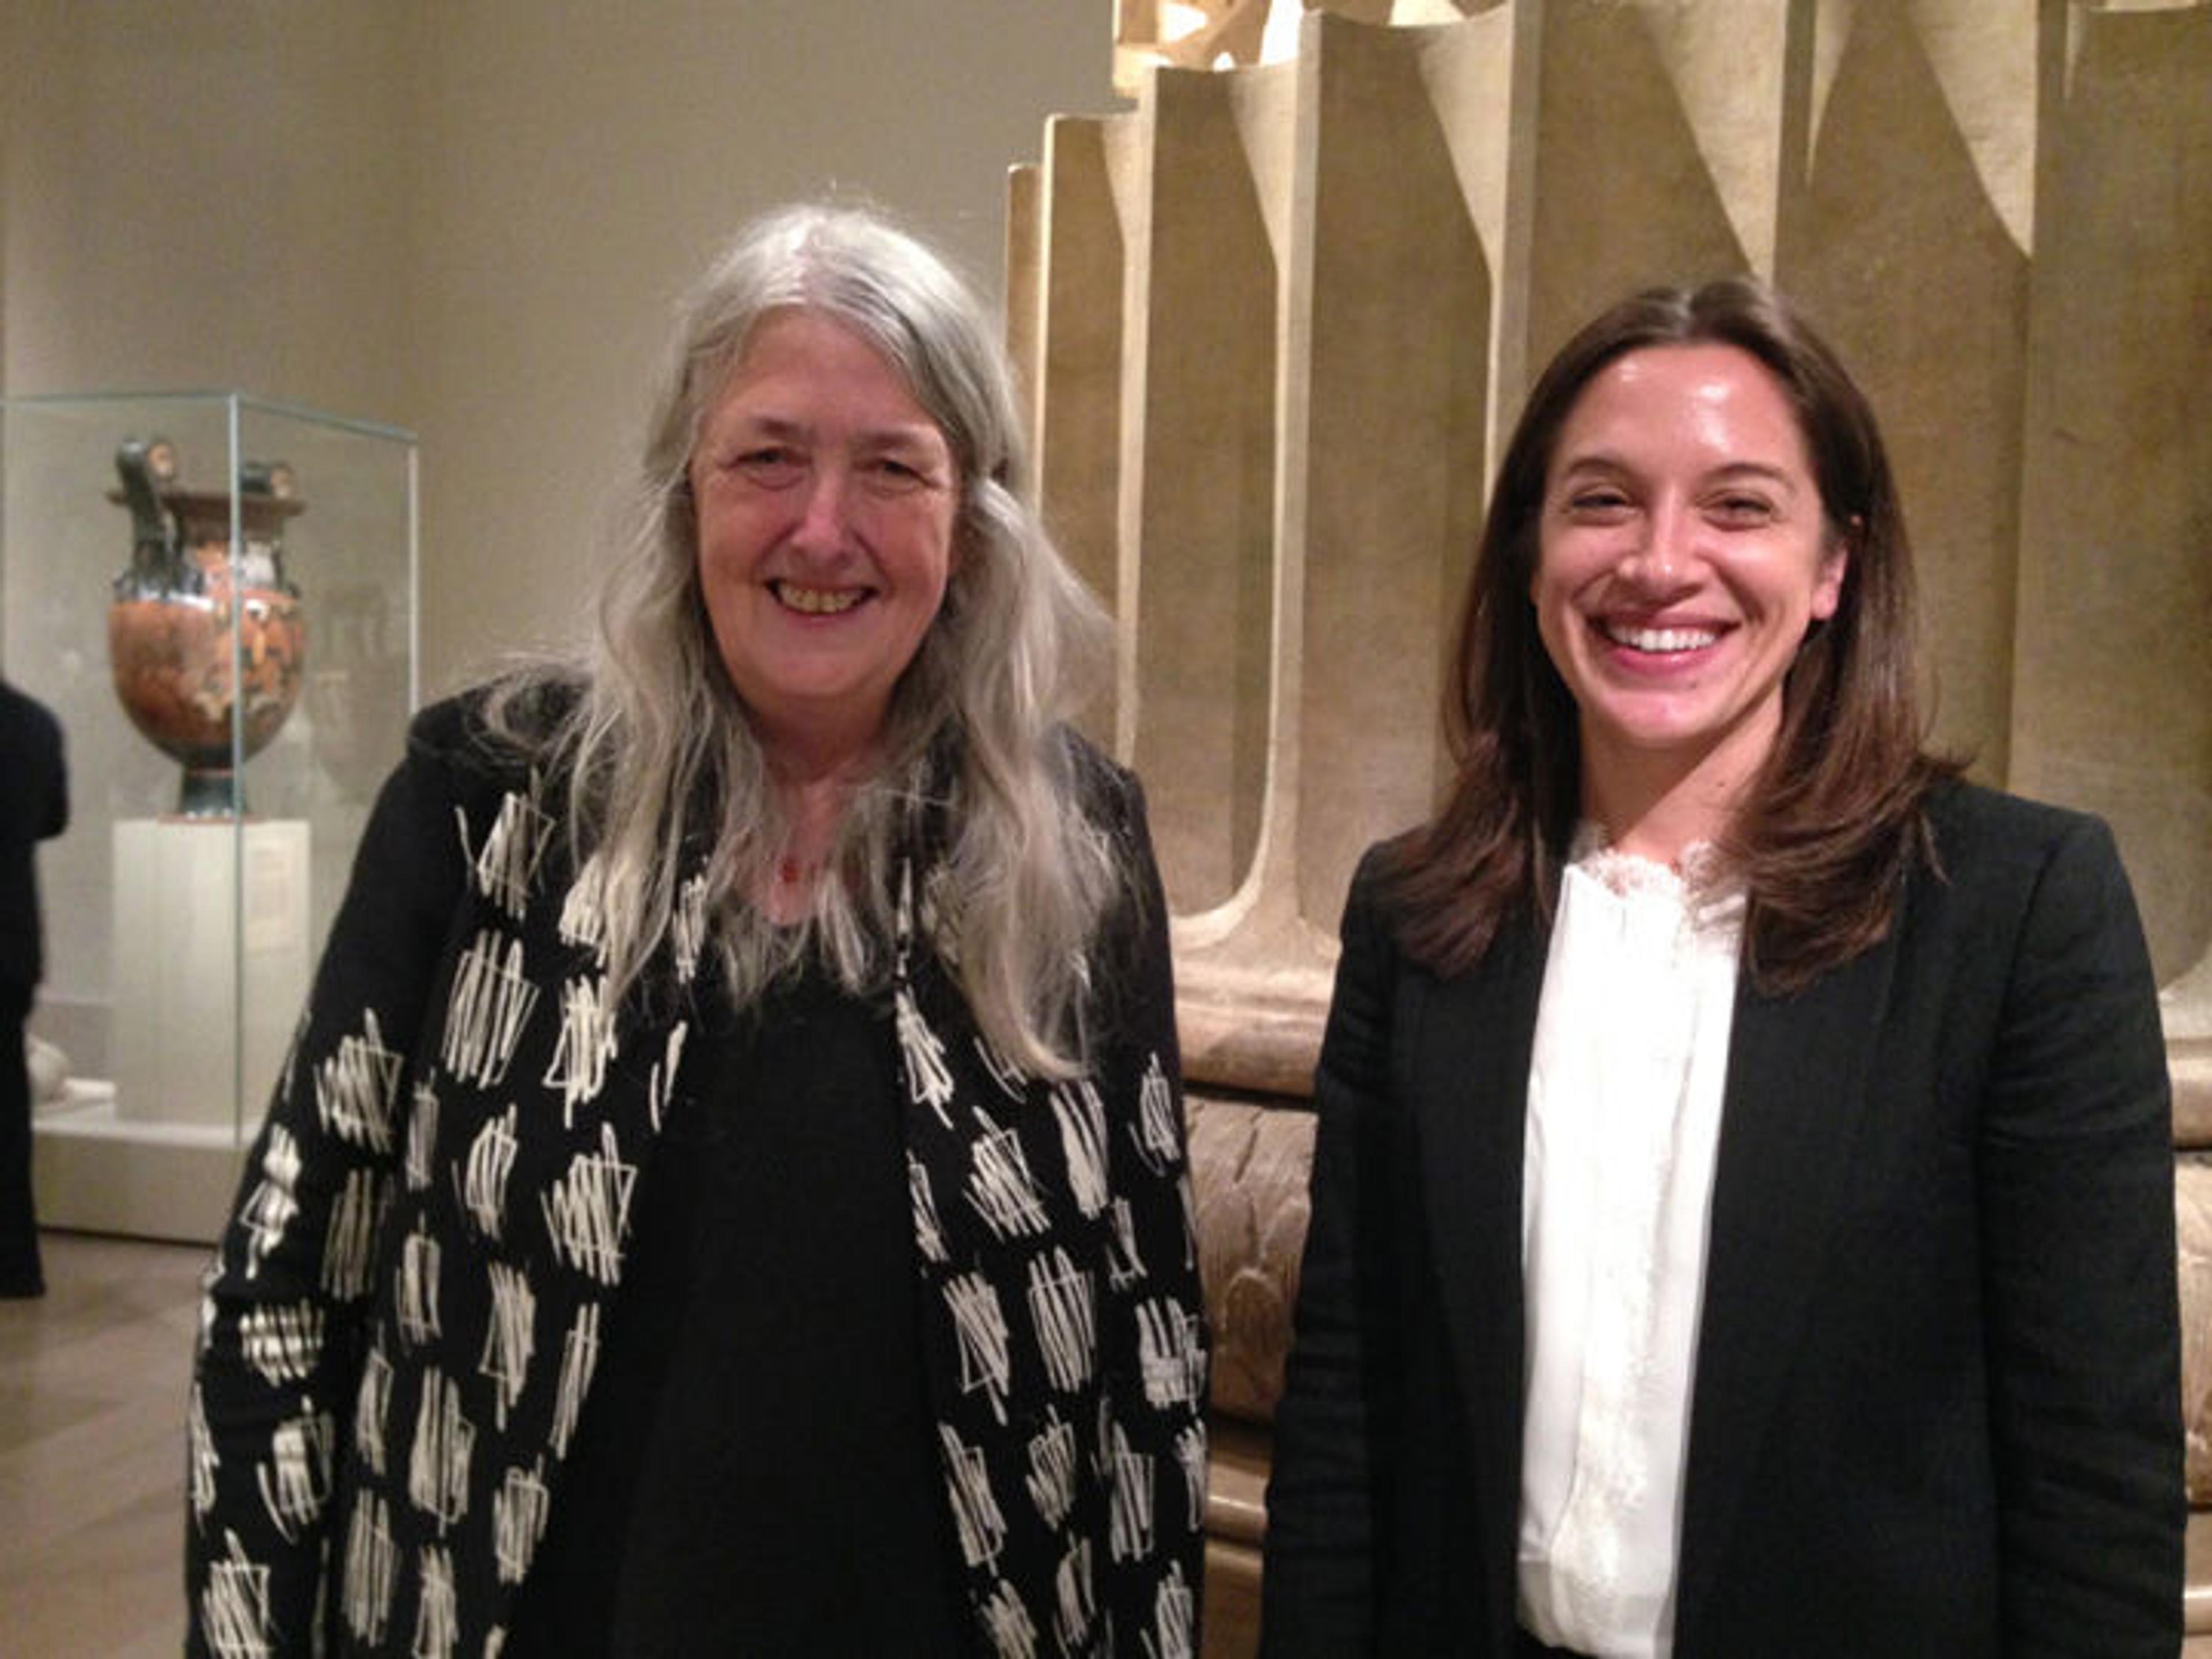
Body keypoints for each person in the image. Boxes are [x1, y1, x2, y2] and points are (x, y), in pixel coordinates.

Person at [185, 203, 1208, 1657]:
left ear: (971, 525)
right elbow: (284, 1295)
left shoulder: (1078, 846)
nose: (821, 528)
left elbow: (1146, 1358)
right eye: (768, 456)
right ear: (685, 493)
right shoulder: (490, 805)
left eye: (891, 468)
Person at [1260, 278, 2183, 1656]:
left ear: (1832, 568)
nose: (1659, 561)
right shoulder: (1417, 914)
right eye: (1601, 500)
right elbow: (1345, 1417)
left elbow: (2094, 1480)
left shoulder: (2011, 911)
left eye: (1738, 505)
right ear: (1528, 555)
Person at [0, 674, 67, 1298]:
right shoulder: (35, 723)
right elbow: (54, 818)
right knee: (8, 1114)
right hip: (12, 942)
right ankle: (16, 1260)